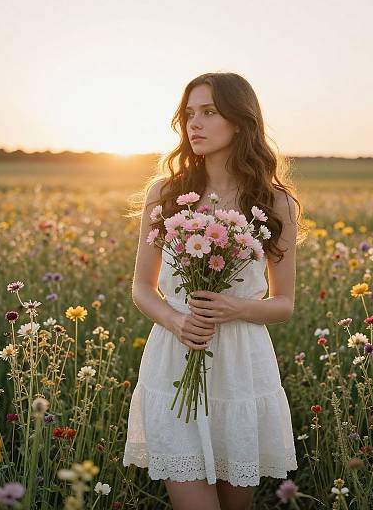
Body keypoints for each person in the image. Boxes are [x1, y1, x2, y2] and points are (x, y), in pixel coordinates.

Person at [123, 72, 308, 510]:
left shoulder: (273, 201)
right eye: (189, 114)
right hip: (174, 358)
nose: (194, 124)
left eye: (208, 112)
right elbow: (141, 287)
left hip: (241, 367)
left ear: (240, 122)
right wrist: (176, 321)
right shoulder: (165, 194)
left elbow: (283, 305)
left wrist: (236, 307)